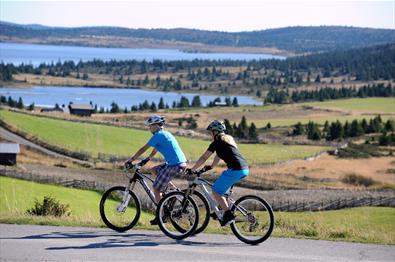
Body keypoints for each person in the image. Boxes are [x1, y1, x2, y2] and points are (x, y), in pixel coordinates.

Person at [125, 115, 187, 225]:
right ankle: (173, 190)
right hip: (178, 163)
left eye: (150, 126)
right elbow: (155, 149)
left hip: (174, 165)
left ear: (156, 125)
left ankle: (161, 216)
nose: (149, 128)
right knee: (153, 170)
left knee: (156, 189)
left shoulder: (158, 135)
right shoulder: (165, 134)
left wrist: (131, 159)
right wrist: (148, 158)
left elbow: (143, 148)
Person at [187, 120, 249, 226]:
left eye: (211, 131)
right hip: (244, 169)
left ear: (215, 131)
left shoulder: (217, 142)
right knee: (222, 190)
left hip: (235, 170)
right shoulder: (228, 139)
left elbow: (204, 157)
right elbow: (218, 156)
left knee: (216, 190)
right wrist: (211, 167)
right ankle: (221, 210)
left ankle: (228, 214)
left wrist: (192, 169)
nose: (210, 134)